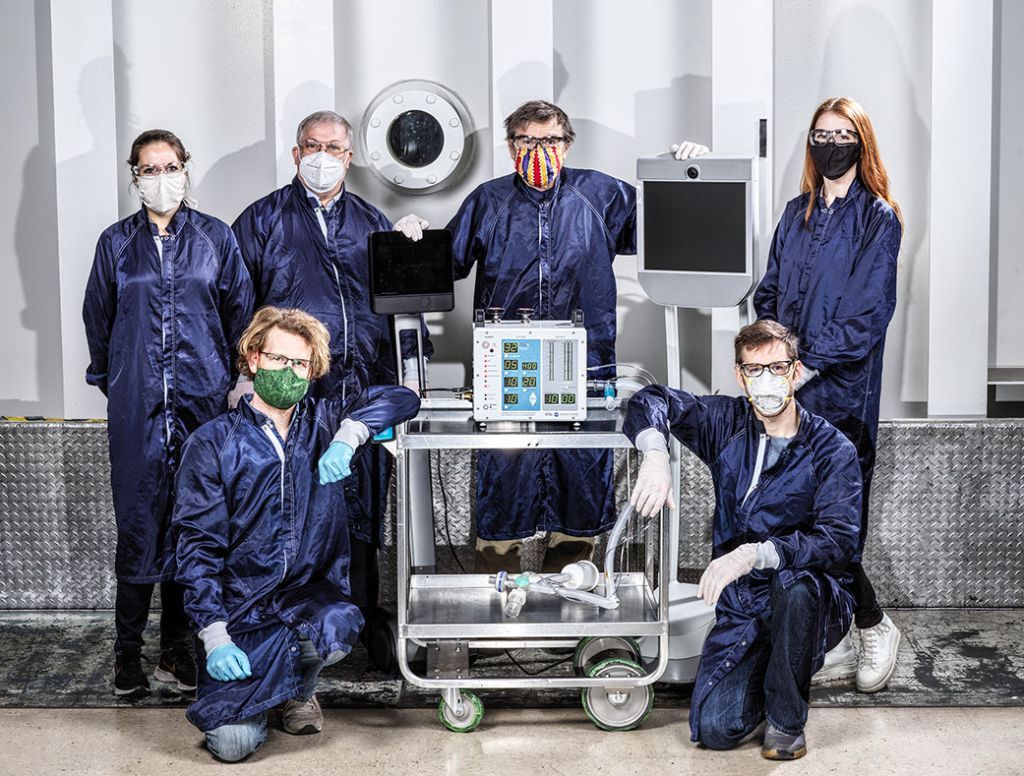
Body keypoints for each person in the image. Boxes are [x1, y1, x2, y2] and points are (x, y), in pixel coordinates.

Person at [394, 100, 707, 573]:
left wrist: (689, 177)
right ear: (510, 146)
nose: (538, 150)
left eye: (550, 141)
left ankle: (573, 588)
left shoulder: (599, 194)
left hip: (585, 368)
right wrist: (411, 236)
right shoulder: (489, 201)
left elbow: (666, 231)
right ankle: (499, 597)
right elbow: (445, 264)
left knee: (581, 476)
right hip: (507, 368)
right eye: (527, 141)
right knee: (504, 475)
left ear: (568, 144)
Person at [173, 307, 420, 762]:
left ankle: (296, 690)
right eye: (277, 358)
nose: (288, 371)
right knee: (233, 745)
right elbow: (198, 548)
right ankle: (264, 685)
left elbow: (403, 397)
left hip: (306, 597)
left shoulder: (327, 423)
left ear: (313, 371)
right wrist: (214, 635)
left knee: (338, 624)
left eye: (300, 364)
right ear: (252, 358)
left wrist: (351, 434)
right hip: (242, 609)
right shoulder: (212, 443)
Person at [231, 110, 431, 651]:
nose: (323, 157)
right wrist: (246, 379)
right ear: (297, 154)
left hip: (359, 391)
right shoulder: (261, 221)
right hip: (291, 392)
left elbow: (395, 313)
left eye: (334, 148)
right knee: (293, 510)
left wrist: (406, 249)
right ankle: (293, 626)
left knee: (362, 513)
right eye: (312, 147)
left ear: (349, 157)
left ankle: (359, 622)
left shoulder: (370, 221)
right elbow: (234, 306)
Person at [626, 320, 862, 760]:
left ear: (796, 371)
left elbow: (836, 541)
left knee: (795, 583)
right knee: (715, 729)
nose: (766, 380)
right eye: (754, 370)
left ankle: (787, 723)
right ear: (740, 375)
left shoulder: (832, 450)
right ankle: (784, 657)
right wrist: (655, 454)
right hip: (746, 603)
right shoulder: (726, 423)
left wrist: (756, 554)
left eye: (777, 367)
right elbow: (650, 399)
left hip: (812, 594)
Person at [83, 129, 254, 699]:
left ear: (186, 168)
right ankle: (126, 654)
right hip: (136, 412)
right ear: (134, 176)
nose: (161, 177)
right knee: (137, 526)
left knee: (194, 526)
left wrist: (238, 382)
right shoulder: (114, 245)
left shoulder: (216, 239)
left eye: (170, 166)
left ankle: (178, 652)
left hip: (202, 407)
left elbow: (240, 318)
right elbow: (98, 325)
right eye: (149, 169)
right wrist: (126, 386)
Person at [751, 96, 903, 693]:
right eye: (821, 133)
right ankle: (838, 634)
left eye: (842, 134)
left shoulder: (878, 218)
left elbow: (869, 312)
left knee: (834, 526)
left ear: (860, 144)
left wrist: (806, 363)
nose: (830, 142)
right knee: (794, 517)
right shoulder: (796, 213)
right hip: (786, 391)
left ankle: (874, 625)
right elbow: (770, 291)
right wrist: (770, 355)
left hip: (841, 397)